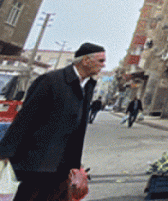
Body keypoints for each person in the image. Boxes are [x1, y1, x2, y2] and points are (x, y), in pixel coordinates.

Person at [0, 42, 106, 201]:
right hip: (39, 161)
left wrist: (76, 164)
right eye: (100, 61)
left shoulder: (87, 86)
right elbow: (26, 118)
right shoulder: (51, 80)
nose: (103, 65)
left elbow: (78, 127)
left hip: (64, 165)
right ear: (85, 60)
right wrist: (6, 151)